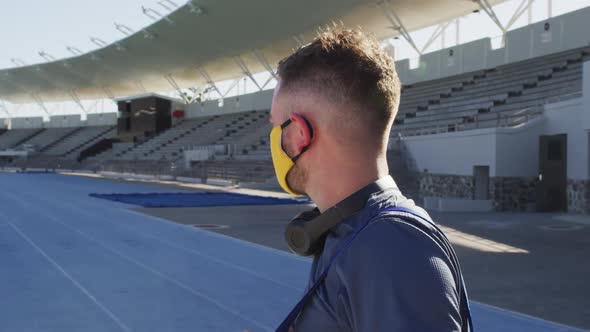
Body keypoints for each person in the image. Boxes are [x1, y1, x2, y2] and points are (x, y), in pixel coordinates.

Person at [267, 27, 471, 331]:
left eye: (275, 126)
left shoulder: (389, 247)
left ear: (298, 134)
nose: (272, 139)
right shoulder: (354, 231)